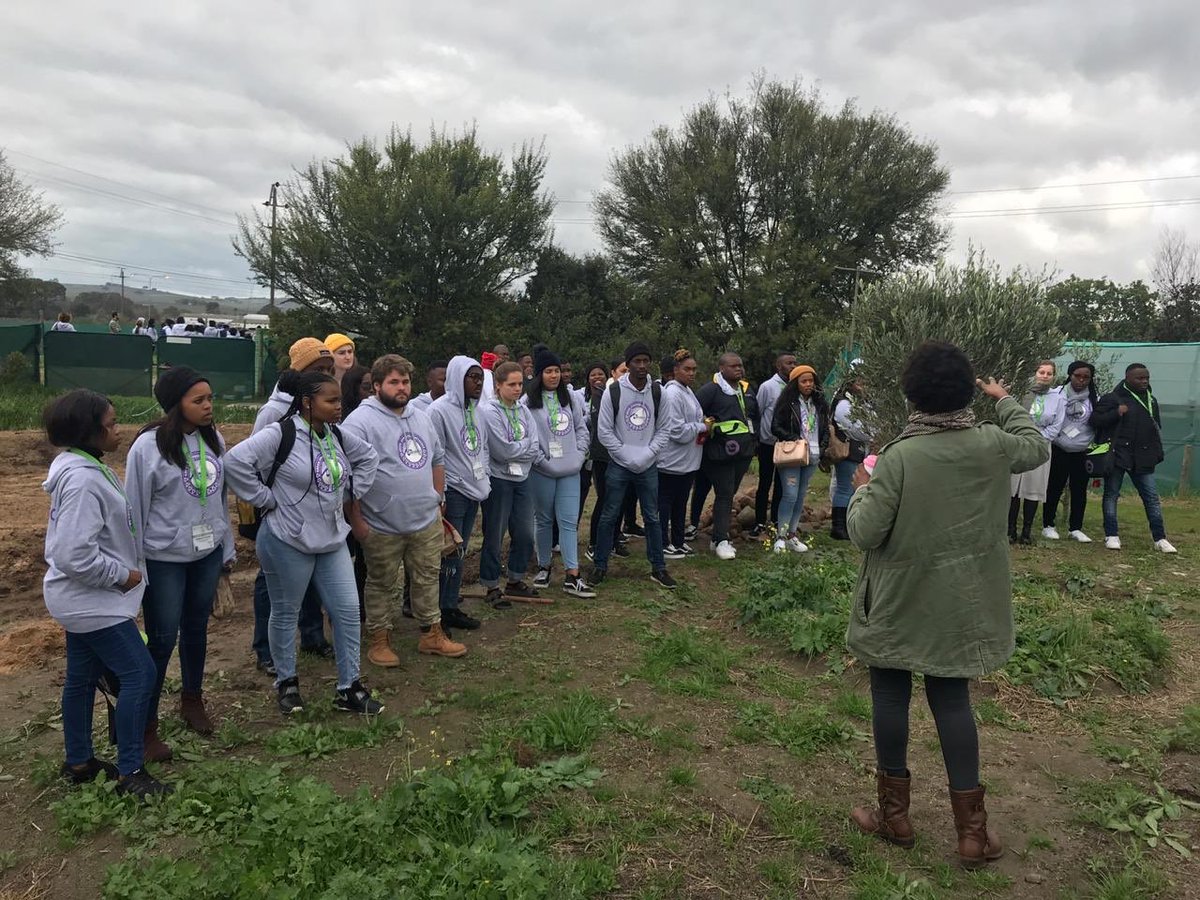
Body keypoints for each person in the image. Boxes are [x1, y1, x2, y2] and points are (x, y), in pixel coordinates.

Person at [847, 341, 1048, 868]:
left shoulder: (899, 456)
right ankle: (973, 835)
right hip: (961, 603)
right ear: (966, 392)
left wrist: (863, 488)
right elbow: (1036, 445)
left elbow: (865, 533)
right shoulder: (994, 445)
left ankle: (894, 816)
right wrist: (1004, 398)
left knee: (889, 697)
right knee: (953, 702)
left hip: (896, 600)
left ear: (911, 395)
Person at [225, 370, 383, 715]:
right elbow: (234, 462)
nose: (339, 407)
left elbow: (369, 457)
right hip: (286, 538)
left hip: (331, 538)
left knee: (346, 610)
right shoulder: (279, 434)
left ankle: (349, 688)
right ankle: (287, 683)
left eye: (340, 399)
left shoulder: (335, 435)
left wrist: (352, 495)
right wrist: (264, 498)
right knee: (285, 612)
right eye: (332, 400)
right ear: (307, 403)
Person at [41, 390, 171, 799]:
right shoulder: (82, 480)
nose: (119, 429)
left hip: (83, 600)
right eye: (112, 424)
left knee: (80, 678)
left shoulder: (86, 465)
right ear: (89, 430)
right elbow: (72, 553)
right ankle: (131, 771)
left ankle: (79, 760)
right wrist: (122, 575)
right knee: (139, 673)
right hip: (92, 601)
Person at [124, 367, 233, 761]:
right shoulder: (148, 447)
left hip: (206, 554)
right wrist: (135, 564)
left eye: (210, 398)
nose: (208, 406)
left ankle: (192, 699)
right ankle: (146, 725)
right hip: (164, 558)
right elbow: (133, 507)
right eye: (198, 400)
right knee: (162, 639)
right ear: (175, 405)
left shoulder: (214, 439)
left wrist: (227, 546)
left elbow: (220, 498)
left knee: (196, 630)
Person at [341, 355, 467, 665]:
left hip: (423, 519)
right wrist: (356, 521)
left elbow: (437, 458)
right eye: (394, 382)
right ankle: (379, 639)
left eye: (405, 381)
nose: (401, 388)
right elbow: (347, 475)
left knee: (427, 577)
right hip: (381, 523)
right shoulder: (360, 422)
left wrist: (436, 498)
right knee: (382, 582)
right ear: (378, 386)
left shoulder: (421, 417)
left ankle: (432, 634)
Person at [250, 338, 339, 669]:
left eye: (330, 370)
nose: (327, 375)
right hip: (280, 511)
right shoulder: (273, 412)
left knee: (313, 569)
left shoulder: (324, 406)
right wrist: (270, 500)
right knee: (270, 579)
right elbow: (256, 463)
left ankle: (313, 636)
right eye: (319, 370)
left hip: (315, 507)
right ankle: (265, 649)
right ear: (299, 373)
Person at [588, 342, 676, 588]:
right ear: (628, 364)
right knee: (609, 515)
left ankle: (658, 568)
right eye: (636, 361)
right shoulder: (613, 392)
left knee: (652, 517)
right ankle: (600, 565)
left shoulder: (659, 393)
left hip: (648, 464)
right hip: (618, 464)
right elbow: (604, 431)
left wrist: (648, 454)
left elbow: (664, 429)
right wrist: (626, 456)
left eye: (646, 361)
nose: (642, 366)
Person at [524, 349, 595, 598]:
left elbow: (581, 428)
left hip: (570, 470)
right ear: (539, 374)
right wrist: (543, 462)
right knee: (543, 519)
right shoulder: (528, 403)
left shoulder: (571, 399)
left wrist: (579, 454)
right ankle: (544, 566)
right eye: (548, 371)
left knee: (568, 521)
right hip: (542, 471)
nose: (554, 376)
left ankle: (572, 574)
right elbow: (529, 439)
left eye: (556, 371)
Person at [429, 356, 490, 631]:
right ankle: (440, 610)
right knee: (449, 551)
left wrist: (483, 478)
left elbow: (482, 448)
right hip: (453, 491)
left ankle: (451, 604)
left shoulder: (476, 409)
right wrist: (440, 494)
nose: (478, 382)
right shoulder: (439, 411)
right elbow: (436, 454)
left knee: (461, 549)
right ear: (457, 378)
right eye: (472, 377)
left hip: (474, 487)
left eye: (480, 377)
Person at [1090, 363, 1177, 553]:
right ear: (1127, 378)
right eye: (1139, 378)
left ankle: (1160, 538)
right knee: (1111, 495)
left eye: (1146, 378)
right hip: (1118, 455)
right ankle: (1111, 535)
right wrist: (1115, 413)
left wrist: (1155, 452)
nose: (1144, 381)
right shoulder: (1112, 398)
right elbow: (1094, 420)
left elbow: (1155, 427)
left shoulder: (1151, 400)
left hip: (1143, 457)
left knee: (1151, 497)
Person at [478, 361, 543, 607]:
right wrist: (522, 447)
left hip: (523, 478)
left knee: (526, 533)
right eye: (512, 384)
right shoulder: (489, 411)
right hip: (500, 479)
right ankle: (491, 584)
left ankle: (515, 579)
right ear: (498, 385)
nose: (518, 389)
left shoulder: (523, 410)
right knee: (495, 533)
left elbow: (534, 446)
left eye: (520, 384)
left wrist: (520, 448)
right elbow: (502, 451)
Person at [696, 353, 759, 560]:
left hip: (743, 452)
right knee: (723, 493)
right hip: (719, 453)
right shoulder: (711, 390)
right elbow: (695, 413)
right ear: (722, 368)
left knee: (729, 493)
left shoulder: (746, 390)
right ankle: (721, 540)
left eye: (740, 365)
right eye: (733, 366)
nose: (739, 369)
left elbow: (753, 416)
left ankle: (717, 538)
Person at [771, 365, 827, 553]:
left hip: (813, 454)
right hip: (792, 455)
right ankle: (781, 535)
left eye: (811, 380)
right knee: (790, 495)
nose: (808, 384)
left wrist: (824, 445)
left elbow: (825, 427)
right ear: (795, 383)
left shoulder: (819, 402)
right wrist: (794, 438)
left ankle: (792, 535)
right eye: (804, 381)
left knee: (800, 496)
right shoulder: (787, 402)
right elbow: (775, 426)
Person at [1007, 361, 1064, 544]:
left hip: (1040, 445)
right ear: (1035, 373)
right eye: (1041, 372)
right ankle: (1010, 530)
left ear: (1053, 376)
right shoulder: (1021, 393)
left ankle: (1027, 531)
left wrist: (1038, 439)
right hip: (1019, 443)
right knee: (1013, 488)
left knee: (1033, 488)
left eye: (1049, 373)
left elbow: (1057, 425)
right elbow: (1012, 417)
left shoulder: (1058, 398)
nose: (1045, 376)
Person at [1042, 361, 1098, 542]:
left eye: (1086, 377)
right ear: (1070, 375)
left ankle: (1076, 528)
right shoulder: (1056, 394)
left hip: (1081, 450)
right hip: (1059, 447)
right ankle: (1048, 525)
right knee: (1054, 487)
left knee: (1079, 490)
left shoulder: (1095, 398)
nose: (1081, 380)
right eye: (1077, 376)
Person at [659, 349, 707, 558]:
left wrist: (701, 424)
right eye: (687, 369)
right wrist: (702, 427)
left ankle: (678, 540)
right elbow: (676, 431)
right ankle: (662, 542)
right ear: (675, 370)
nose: (692, 373)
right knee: (665, 505)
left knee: (680, 503)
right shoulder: (671, 394)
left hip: (688, 461)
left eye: (694, 369)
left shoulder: (687, 391)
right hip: (671, 461)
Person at [580, 362, 627, 562]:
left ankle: (615, 539)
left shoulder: (628, 392)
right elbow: (602, 422)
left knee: (621, 499)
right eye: (623, 371)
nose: (626, 374)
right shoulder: (602, 392)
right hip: (603, 454)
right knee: (605, 499)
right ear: (614, 373)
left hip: (623, 454)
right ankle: (595, 543)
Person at [752, 352, 795, 536]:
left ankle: (777, 519)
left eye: (795, 362)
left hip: (788, 444)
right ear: (779, 366)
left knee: (782, 483)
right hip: (768, 443)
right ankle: (759, 521)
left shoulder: (795, 386)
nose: (793, 366)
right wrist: (757, 439)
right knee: (765, 482)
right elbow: (758, 412)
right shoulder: (767, 387)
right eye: (788, 363)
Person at [830, 372, 872, 540]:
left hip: (858, 451)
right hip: (849, 451)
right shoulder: (843, 404)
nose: (863, 383)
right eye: (859, 379)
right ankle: (838, 527)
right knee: (845, 488)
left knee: (848, 488)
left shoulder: (860, 403)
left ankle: (845, 525)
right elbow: (858, 429)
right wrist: (872, 432)